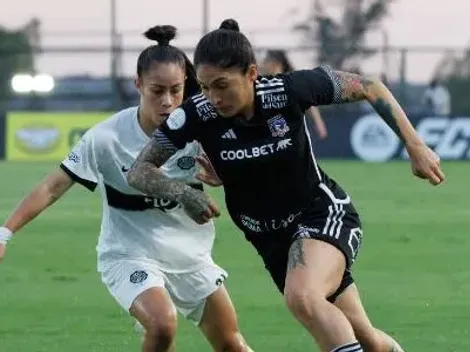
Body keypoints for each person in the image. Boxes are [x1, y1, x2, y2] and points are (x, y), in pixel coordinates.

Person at [127, 19, 445, 352]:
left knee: (303, 296)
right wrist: (183, 193)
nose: (213, 97)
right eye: (205, 87)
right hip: (270, 240)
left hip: (320, 213)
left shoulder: (288, 90)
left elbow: (369, 86)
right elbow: (139, 171)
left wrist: (415, 145)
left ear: (252, 74)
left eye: (222, 85)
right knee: (367, 340)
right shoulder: (196, 114)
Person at [0, 25, 252, 352]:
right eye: (156, 91)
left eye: (176, 90)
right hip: (128, 254)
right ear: (138, 85)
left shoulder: (201, 129)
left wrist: (225, 176)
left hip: (189, 254)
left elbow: (248, 172)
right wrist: (5, 233)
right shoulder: (107, 138)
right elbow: (52, 186)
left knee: (231, 343)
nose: (168, 102)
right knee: (162, 325)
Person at [260, 49, 328, 140]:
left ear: (276, 63)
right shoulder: (264, 82)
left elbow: (309, 102)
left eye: (266, 61)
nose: (264, 64)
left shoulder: (291, 82)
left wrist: (319, 123)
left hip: (290, 127)